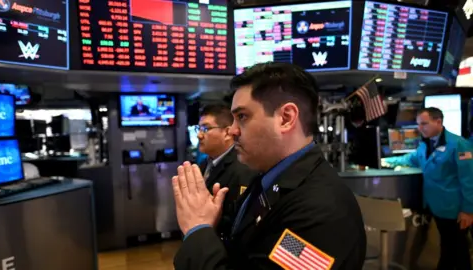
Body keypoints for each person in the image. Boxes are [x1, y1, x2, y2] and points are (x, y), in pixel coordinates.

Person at [171, 62, 366, 269]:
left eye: (242, 117)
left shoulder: (322, 211)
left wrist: (198, 229)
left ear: (286, 118)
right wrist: (213, 223)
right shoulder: (270, 178)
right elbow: (255, 245)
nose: (232, 130)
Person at [382, 107, 473, 270]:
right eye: (418, 124)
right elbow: (411, 158)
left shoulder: (458, 145)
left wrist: (468, 210)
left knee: (459, 252)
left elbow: (469, 180)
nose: (420, 128)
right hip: (437, 207)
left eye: (424, 123)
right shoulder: (426, 144)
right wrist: (386, 161)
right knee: (448, 247)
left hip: (454, 209)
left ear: (438, 122)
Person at [196, 104, 257, 239]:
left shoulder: (242, 168)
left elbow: (241, 220)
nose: (199, 135)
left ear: (227, 132)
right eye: (198, 128)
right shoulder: (203, 165)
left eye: (206, 128)